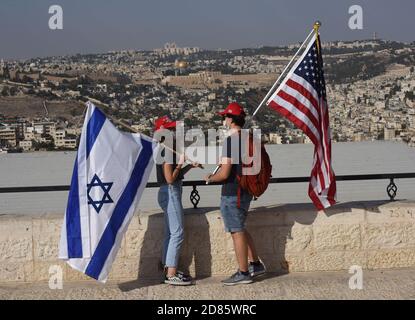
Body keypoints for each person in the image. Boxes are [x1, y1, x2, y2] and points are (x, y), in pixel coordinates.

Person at [204, 103, 266, 286]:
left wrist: (210, 177)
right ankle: (255, 264)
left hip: (233, 193)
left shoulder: (231, 141)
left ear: (230, 120)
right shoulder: (248, 138)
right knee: (241, 228)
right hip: (246, 191)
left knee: (236, 232)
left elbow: (224, 174)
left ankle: (244, 272)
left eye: (224, 117)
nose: (223, 120)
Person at [154, 116, 200, 286]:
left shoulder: (167, 149)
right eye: (170, 130)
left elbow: (176, 175)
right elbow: (170, 178)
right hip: (171, 192)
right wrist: (181, 164)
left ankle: (167, 267)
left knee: (170, 233)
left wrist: (189, 166)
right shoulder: (166, 150)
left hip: (168, 193)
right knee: (178, 233)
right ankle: (171, 274)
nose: (174, 133)